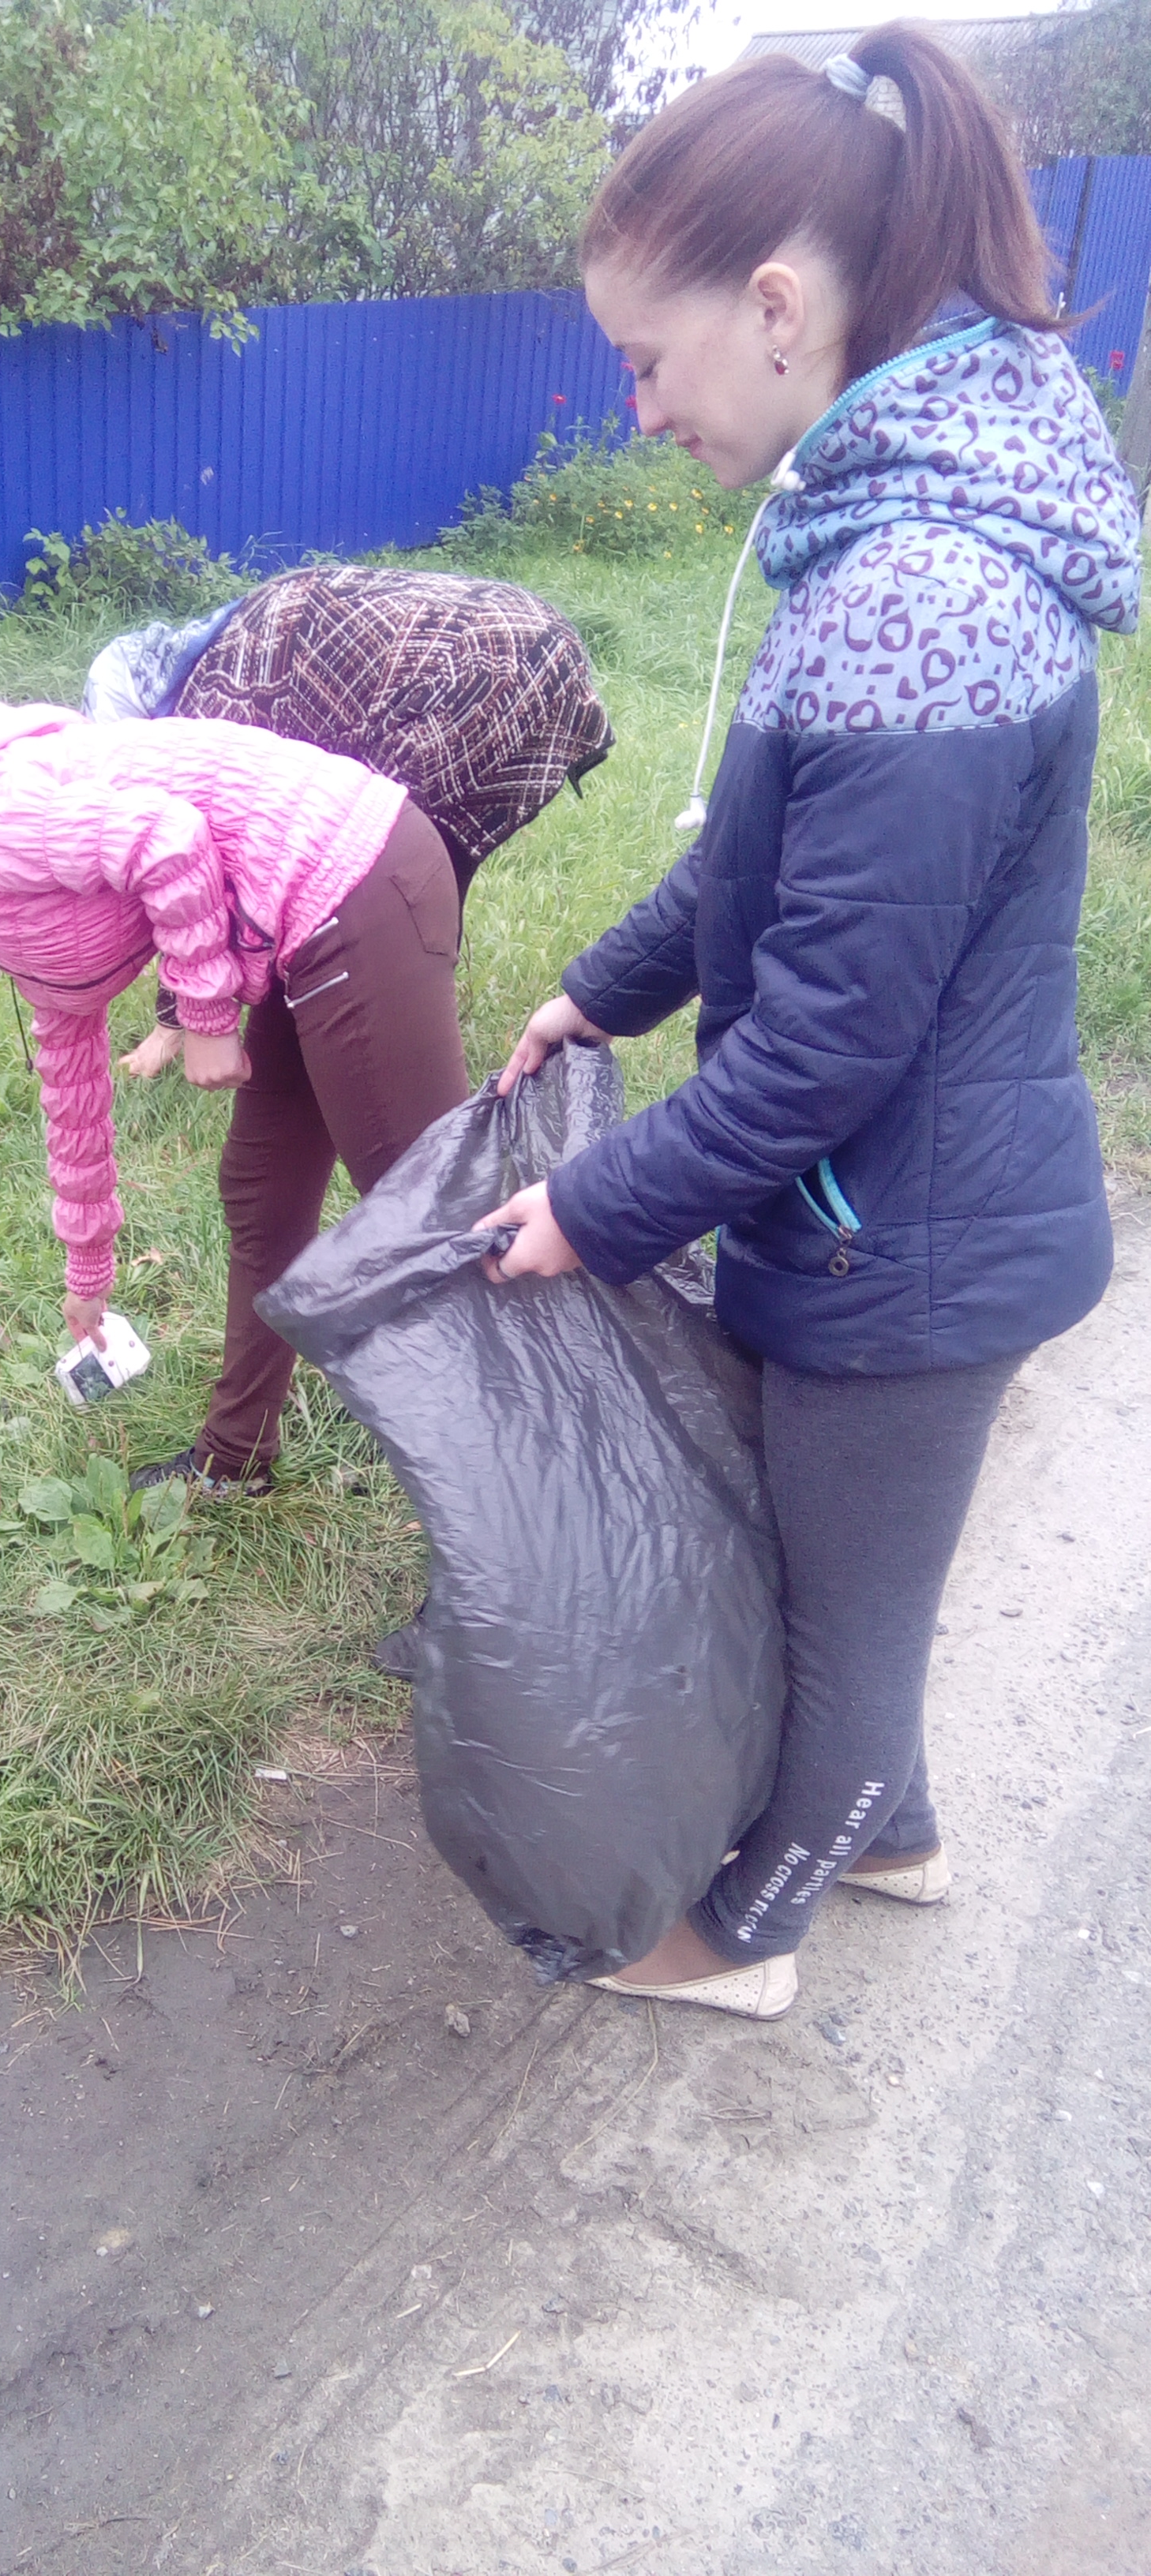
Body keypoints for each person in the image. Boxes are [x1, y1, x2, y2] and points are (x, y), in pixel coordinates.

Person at [479, 25, 1141, 2019]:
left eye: (644, 358)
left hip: (910, 1249)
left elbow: (824, 1042)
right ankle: (899, 1834)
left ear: (774, 307)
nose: (636, 407)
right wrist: (595, 989)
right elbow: (756, 872)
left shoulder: (925, 594)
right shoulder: (878, 539)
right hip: (882, 1216)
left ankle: (746, 1935)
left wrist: (590, 1211)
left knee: (841, 1626)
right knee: (835, 1576)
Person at [0, 708, 471, 1495]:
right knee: (263, 1188)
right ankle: (235, 1460)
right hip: (298, 915)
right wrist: (88, 1272)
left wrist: (205, 1019)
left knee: (431, 1215)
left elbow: (165, 839)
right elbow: (71, 1083)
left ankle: (534, 1486)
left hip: (351, 874)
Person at [84, 565, 613, 1078]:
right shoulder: (229, 641)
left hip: (481, 675)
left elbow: (199, 880)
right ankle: (411, 1015)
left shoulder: (208, 711)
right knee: (427, 863)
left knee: (389, 866)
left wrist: (177, 1022)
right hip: (541, 644)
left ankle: (397, 1049)